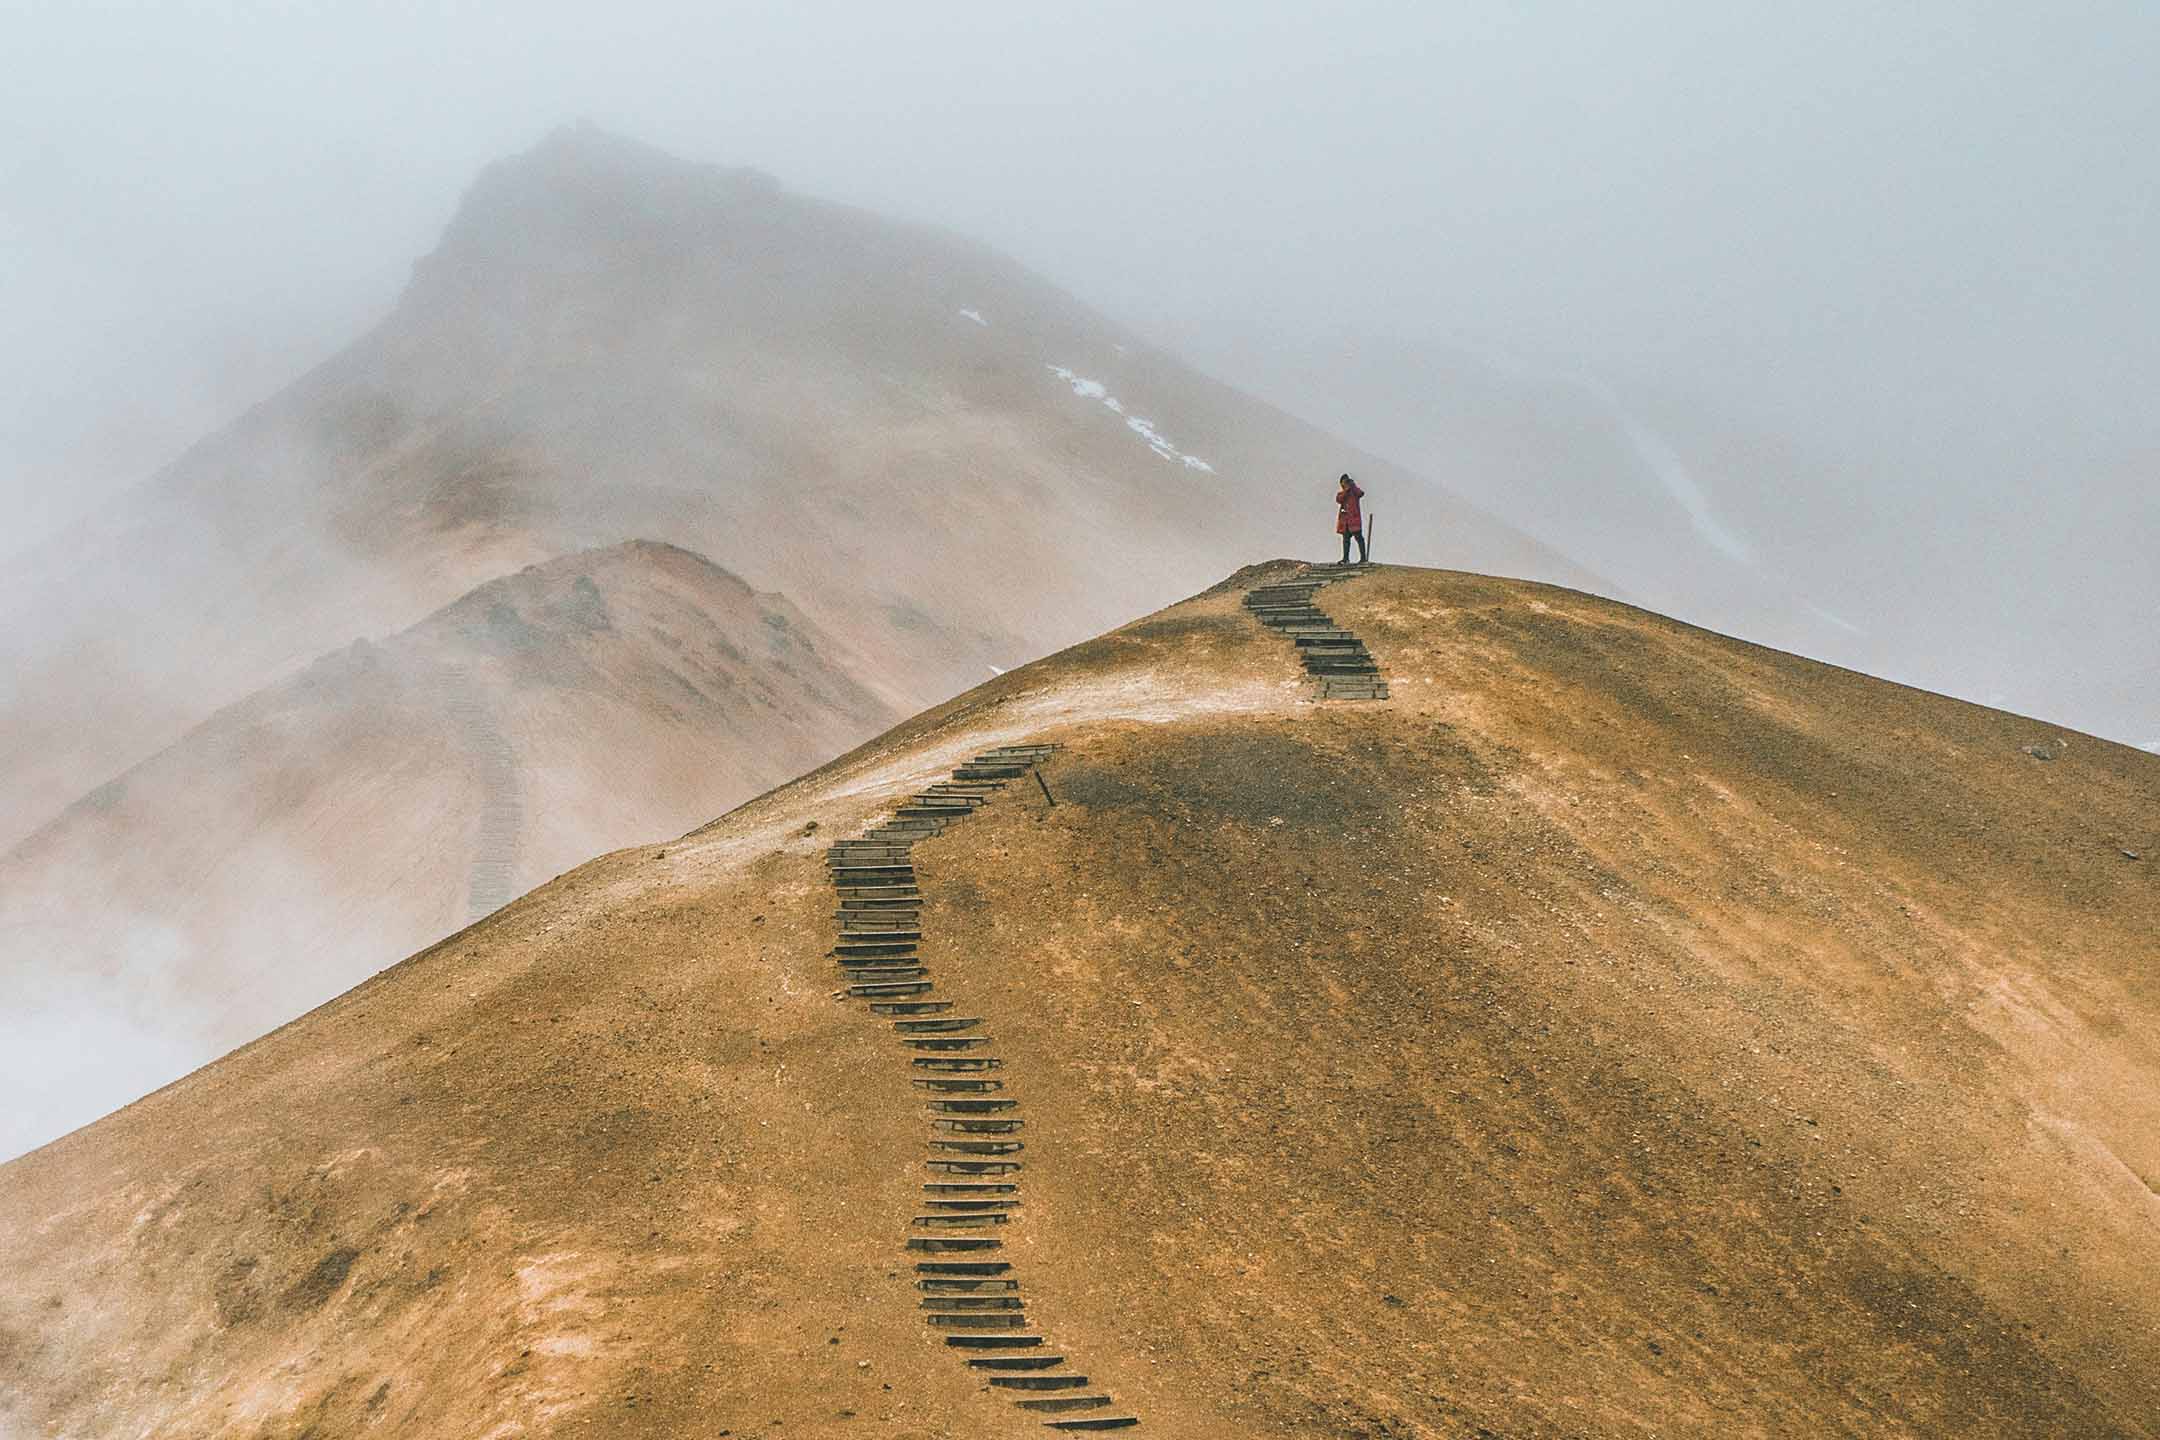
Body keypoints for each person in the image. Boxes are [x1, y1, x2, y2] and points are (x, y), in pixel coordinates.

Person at [1335, 473, 1367, 564]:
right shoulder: (1341, 493)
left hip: (1354, 520)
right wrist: (1347, 490)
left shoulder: (1354, 492)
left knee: (1359, 538)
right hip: (1345, 522)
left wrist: (1353, 486)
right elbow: (1339, 499)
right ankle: (1345, 559)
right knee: (1346, 540)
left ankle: (1363, 558)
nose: (1345, 483)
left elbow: (1361, 493)